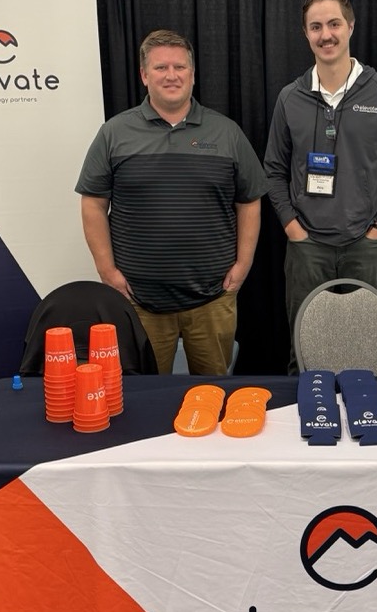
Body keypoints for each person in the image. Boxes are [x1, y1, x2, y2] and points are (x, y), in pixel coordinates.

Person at [76, 29, 267, 375]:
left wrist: (243, 264)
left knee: (214, 397)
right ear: (144, 75)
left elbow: (249, 201)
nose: (171, 75)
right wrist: (107, 271)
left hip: (213, 298)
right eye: (160, 67)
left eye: (179, 67)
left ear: (192, 75)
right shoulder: (114, 134)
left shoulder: (226, 133)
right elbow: (93, 204)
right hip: (139, 301)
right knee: (146, 399)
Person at [264, 0, 377, 368]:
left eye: (334, 24)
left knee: (367, 346)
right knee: (305, 348)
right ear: (306, 34)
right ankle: (306, 421)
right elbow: (272, 169)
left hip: (365, 247)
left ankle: (365, 422)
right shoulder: (290, 98)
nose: (326, 34)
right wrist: (291, 227)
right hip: (307, 249)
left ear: (350, 26)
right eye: (316, 26)